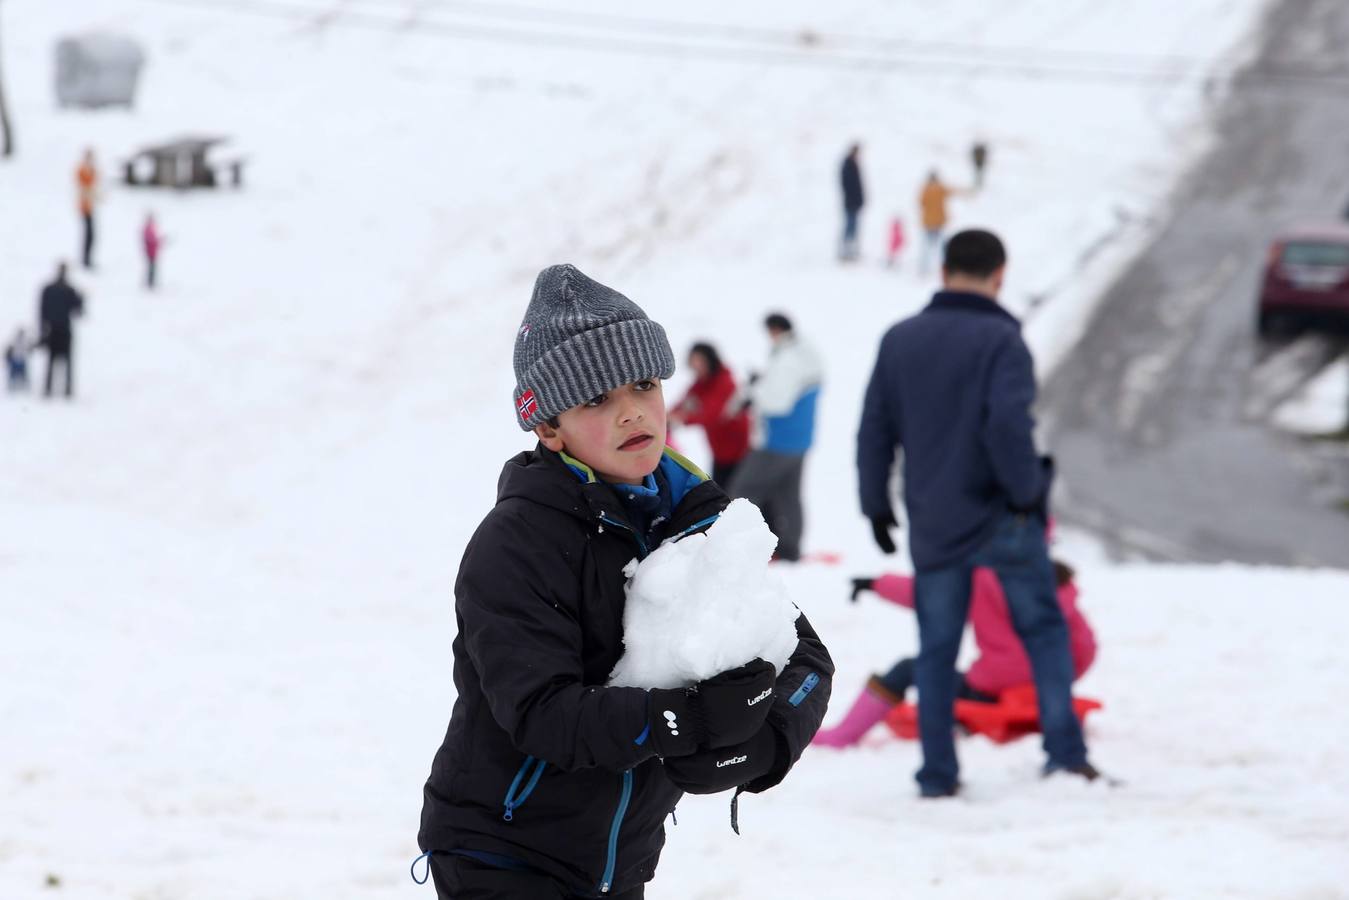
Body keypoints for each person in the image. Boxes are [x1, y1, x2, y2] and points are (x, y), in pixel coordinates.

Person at [416, 264, 833, 899]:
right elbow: (540, 713)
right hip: (500, 856)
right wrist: (682, 721)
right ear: (548, 428)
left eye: (643, 384)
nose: (632, 413)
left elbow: (804, 657)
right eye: (596, 399)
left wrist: (767, 742)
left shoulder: (697, 518)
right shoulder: (515, 543)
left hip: (622, 863)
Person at [856, 229, 1098, 796]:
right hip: (1003, 520)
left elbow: (876, 430)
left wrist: (875, 505)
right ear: (999, 274)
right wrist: (1026, 494)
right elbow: (1007, 426)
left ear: (943, 272)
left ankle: (938, 774)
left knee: (938, 650)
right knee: (1044, 634)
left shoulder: (900, 339)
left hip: (935, 521)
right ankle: (1065, 755)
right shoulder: (1002, 341)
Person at [815, 557, 1095, 748]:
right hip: (1046, 690)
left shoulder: (986, 577)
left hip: (986, 690)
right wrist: (1061, 678)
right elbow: (1085, 647)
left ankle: (843, 736)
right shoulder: (1060, 590)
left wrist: (877, 584)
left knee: (908, 668)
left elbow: (929, 594)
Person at [728, 313, 823, 563]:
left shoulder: (788, 359)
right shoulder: (805, 353)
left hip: (778, 441)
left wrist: (754, 392)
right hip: (799, 439)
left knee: (744, 490)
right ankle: (791, 547)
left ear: (775, 329)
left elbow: (777, 402)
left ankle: (743, 547)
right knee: (788, 494)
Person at [668, 342, 751, 487]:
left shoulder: (725, 382)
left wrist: (681, 419)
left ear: (710, 360)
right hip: (720, 452)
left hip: (739, 452)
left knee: (738, 495)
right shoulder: (701, 383)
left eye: (700, 361)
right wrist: (667, 416)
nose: (696, 366)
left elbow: (712, 414)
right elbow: (686, 403)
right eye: (693, 361)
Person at [38, 263, 85, 399]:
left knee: (51, 360)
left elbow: (42, 311)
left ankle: (48, 388)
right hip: (64, 329)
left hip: (52, 329)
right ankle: (67, 389)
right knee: (67, 361)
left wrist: (42, 330)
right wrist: (81, 299)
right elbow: (79, 311)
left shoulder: (48, 289)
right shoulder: (69, 290)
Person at [917, 170, 962, 274]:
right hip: (937, 222)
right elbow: (952, 191)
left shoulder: (926, 189)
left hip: (930, 222)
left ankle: (925, 269)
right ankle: (943, 268)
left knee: (928, 247)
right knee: (939, 247)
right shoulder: (938, 189)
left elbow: (921, 203)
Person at [839, 143, 865, 261]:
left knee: (854, 227)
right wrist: (853, 198)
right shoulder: (848, 164)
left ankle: (852, 250)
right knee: (849, 226)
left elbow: (858, 185)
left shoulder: (853, 164)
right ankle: (845, 250)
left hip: (854, 202)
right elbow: (849, 185)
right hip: (850, 202)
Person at [76, 149, 99, 270]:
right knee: (88, 234)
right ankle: (85, 259)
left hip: (90, 206)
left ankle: (88, 258)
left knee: (92, 235)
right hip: (85, 207)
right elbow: (84, 187)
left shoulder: (91, 170)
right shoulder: (82, 170)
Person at [142, 213, 163, 289]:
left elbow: (154, 240)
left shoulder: (151, 228)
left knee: (152, 268)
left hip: (153, 251)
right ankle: (150, 283)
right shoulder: (148, 228)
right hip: (150, 252)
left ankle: (151, 282)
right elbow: (151, 240)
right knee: (151, 268)